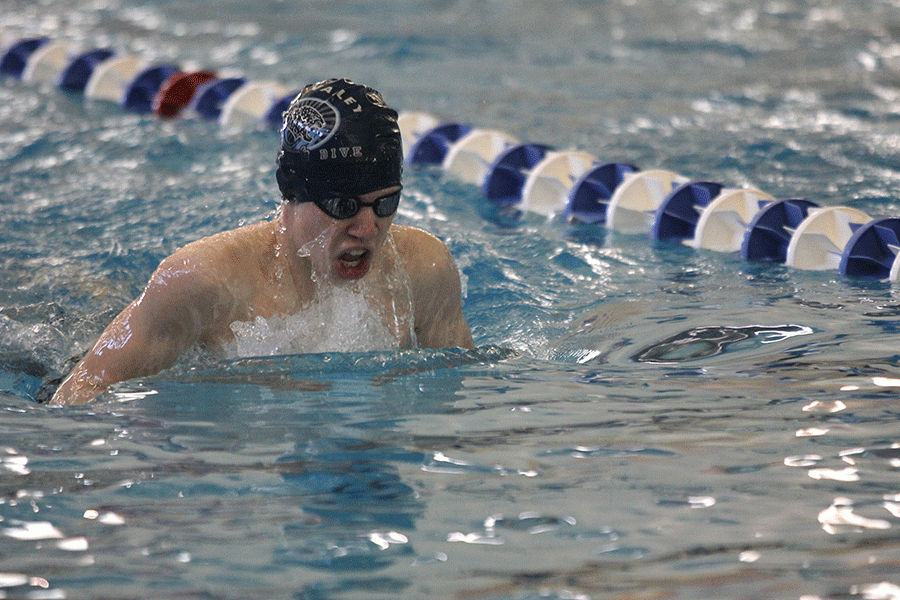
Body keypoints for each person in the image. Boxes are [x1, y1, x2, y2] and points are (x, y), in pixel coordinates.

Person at [49, 78, 474, 406]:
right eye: (343, 205)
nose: (367, 229)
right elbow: (79, 395)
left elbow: (465, 395)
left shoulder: (424, 269)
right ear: (293, 194)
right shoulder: (203, 281)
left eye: (385, 204)